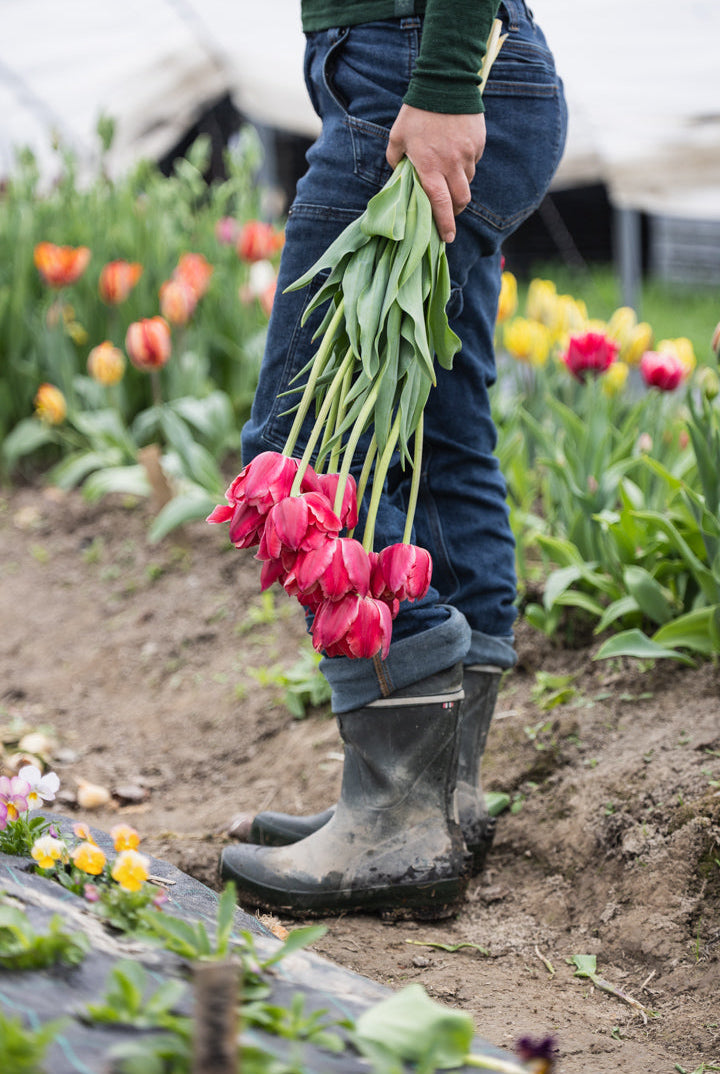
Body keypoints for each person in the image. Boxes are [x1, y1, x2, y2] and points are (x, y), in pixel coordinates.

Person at [220, 0, 567, 917]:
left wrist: (445, 80)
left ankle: (395, 822)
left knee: (300, 455)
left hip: (417, 74)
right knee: (439, 434)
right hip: (434, 63)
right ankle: (438, 800)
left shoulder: (432, 71)